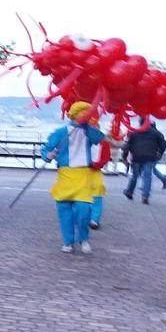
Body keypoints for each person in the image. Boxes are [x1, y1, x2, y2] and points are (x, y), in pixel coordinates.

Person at [42, 101, 105, 253]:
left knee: (84, 210)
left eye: (88, 113)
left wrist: (87, 126)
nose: (87, 115)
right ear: (76, 114)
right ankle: (68, 241)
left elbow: (99, 138)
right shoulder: (61, 132)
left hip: (83, 174)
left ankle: (83, 238)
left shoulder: (89, 131)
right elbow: (46, 149)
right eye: (84, 112)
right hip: (65, 174)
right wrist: (47, 155)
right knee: (65, 211)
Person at [122, 119, 166, 203]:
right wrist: (160, 153)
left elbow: (127, 146)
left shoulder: (134, 133)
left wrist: (124, 157)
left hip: (136, 157)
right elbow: (163, 143)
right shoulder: (155, 133)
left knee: (134, 176)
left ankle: (130, 192)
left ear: (140, 123)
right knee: (147, 177)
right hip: (150, 157)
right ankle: (145, 196)